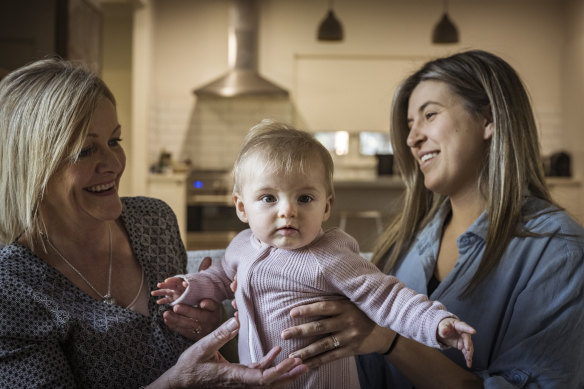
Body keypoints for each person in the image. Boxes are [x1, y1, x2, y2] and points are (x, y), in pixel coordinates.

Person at [274, 49, 584, 388]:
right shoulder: (406, 242)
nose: (411, 138)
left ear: (488, 119)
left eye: (429, 115)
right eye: (410, 125)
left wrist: (390, 340)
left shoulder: (559, 251)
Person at [0, 58, 307, 388]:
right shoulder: (12, 285)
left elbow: (190, 347)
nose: (113, 163)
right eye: (85, 151)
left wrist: (208, 323)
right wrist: (177, 382)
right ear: (31, 164)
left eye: (114, 141)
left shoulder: (154, 221)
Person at [153, 120, 476, 389]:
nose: (288, 211)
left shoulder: (330, 256)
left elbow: (388, 297)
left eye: (305, 198)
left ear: (326, 206)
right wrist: (190, 287)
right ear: (241, 207)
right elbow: (220, 278)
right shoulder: (241, 246)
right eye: (268, 198)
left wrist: (437, 323)